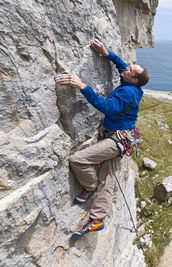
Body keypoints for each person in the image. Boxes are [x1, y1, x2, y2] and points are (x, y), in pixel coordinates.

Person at [55, 39, 149, 239]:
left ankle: (89, 187)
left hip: (117, 139)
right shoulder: (132, 83)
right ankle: (97, 219)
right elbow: (122, 65)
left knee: (78, 160)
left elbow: (107, 107)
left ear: (133, 79)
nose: (126, 67)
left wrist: (82, 86)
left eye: (130, 69)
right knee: (107, 178)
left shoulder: (127, 92)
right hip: (122, 137)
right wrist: (108, 54)